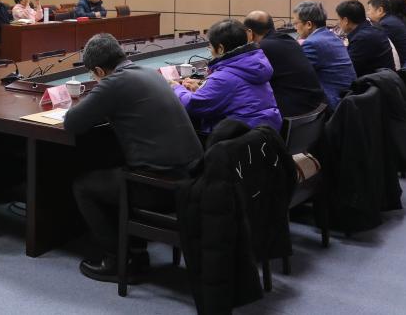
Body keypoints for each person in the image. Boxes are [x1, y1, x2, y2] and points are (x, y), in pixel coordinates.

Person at [65, 33, 203, 283]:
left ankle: (118, 261)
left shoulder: (113, 83)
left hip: (161, 188)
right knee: (116, 167)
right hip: (193, 177)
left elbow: (72, 122)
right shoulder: (150, 73)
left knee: (84, 186)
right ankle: (137, 252)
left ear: (99, 71)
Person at [173, 18, 281, 133]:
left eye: (210, 47)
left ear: (220, 49)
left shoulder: (224, 77)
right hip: (265, 133)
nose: (210, 51)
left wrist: (175, 88)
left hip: (237, 137)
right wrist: (202, 88)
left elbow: (193, 105)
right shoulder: (254, 65)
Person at [243, 11, 326, 117]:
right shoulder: (289, 40)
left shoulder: (262, 48)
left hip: (295, 113)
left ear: (249, 33)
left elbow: (247, 78)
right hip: (314, 108)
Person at [291, 1, 357, 110]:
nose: (295, 28)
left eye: (296, 23)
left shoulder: (312, 43)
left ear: (308, 24)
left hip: (332, 104)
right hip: (346, 98)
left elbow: (297, 74)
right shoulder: (332, 36)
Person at [336, 0, 396, 77]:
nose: (338, 22)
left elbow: (347, 69)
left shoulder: (362, 38)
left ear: (346, 21)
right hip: (382, 80)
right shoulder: (371, 30)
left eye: (339, 19)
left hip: (375, 82)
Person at [366, 0, 406, 65]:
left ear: (380, 10)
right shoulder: (391, 20)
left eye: (369, 9)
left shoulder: (386, 24)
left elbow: (374, 45)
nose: (367, 13)